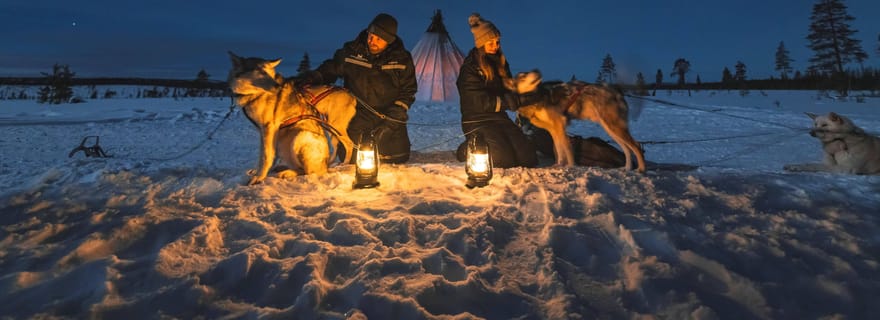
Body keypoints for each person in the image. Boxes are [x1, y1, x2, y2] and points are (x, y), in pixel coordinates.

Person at [299, 13, 417, 164]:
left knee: (397, 157)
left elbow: (408, 90)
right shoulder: (351, 52)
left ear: (389, 41)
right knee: (355, 157)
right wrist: (313, 77)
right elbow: (331, 69)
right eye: (371, 35)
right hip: (357, 113)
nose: (372, 41)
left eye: (378, 39)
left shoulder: (402, 58)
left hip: (388, 115)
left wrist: (394, 117)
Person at [456, 13, 540, 168]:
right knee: (502, 159)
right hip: (476, 119)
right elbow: (477, 100)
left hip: (499, 117)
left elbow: (507, 89)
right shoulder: (470, 68)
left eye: (497, 41)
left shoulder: (500, 63)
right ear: (481, 44)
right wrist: (508, 102)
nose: (496, 46)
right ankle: (465, 149)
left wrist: (522, 94)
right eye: (491, 42)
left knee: (527, 157)